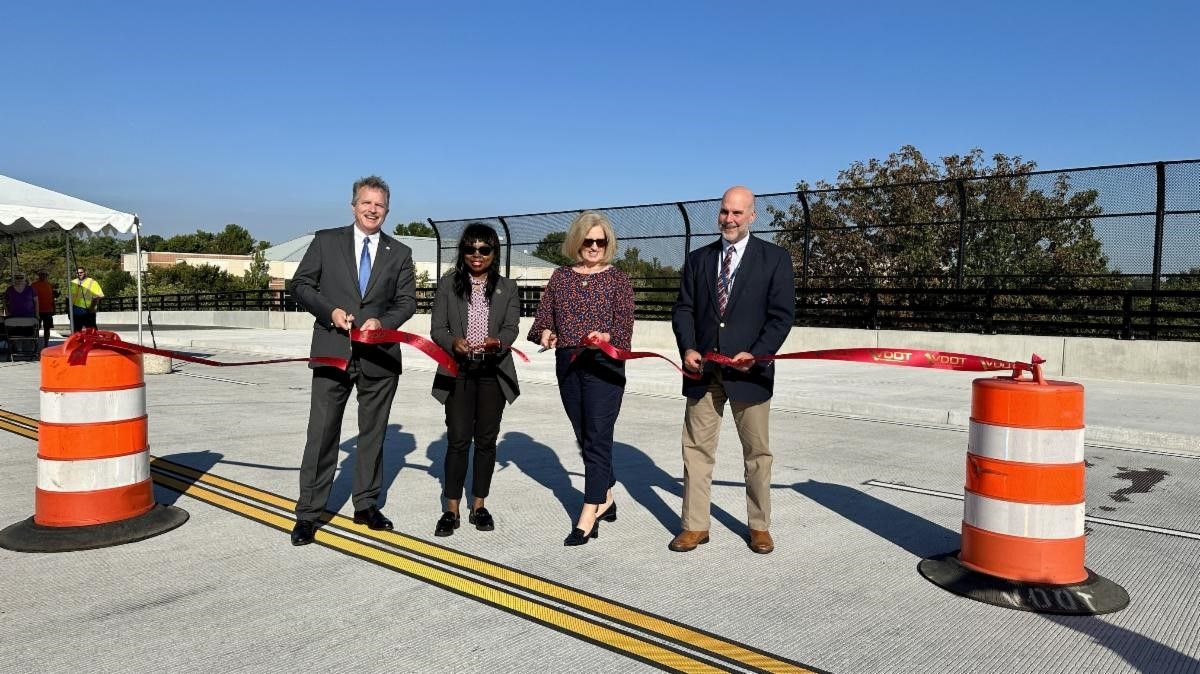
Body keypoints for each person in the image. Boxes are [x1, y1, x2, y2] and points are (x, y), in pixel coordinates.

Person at [288, 175, 417, 546]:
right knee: (322, 434)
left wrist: (384, 322)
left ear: (387, 210)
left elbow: (406, 301)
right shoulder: (326, 242)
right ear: (353, 205)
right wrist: (331, 312)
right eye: (366, 203)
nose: (372, 209)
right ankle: (309, 513)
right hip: (333, 349)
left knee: (373, 436)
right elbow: (300, 285)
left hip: (379, 356)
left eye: (379, 204)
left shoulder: (400, 253)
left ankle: (366, 505)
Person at [669, 186, 795, 555]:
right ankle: (694, 526)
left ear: (753, 216)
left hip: (749, 374)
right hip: (704, 371)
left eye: (738, 213)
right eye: (725, 212)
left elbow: (781, 316)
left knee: (757, 453)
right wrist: (688, 347)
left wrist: (756, 354)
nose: (729, 219)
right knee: (695, 451)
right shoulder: (698, 259)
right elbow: (684, 310)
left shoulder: (774, 259)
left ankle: (759, 526)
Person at [527, 211, 634, 546]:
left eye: (601, 241)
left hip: (604, 367)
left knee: (598, 436)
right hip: (568, 365)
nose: (594, 247)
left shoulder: (618, 280)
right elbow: (544, 319)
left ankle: (590, 511)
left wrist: (607, 336)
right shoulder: (561, 277)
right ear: (577, 241)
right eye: (588, 240)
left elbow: (625, 328)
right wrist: (546, 332)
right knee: (584, 433)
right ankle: (607, 495)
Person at [429, 223, 521, 536]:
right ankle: (451, 507)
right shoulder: (448, 284)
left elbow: (511, 328)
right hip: (459, 370)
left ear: (494, 253)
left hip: (492, 372)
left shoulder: (507, 288)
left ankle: (478, 505)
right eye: (470, 249)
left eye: (484, 249)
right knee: (457, 439)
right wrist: (453, 342)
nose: (476, 255)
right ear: (462, 252)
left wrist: (500, 341)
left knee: (486, 440)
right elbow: (437, 329)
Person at [69, 267, 103, 332]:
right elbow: (69, 297)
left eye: (81, 272)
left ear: (85, 272)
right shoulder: (73, 283)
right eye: (77, 273)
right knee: (76, 333)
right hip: (75, 311)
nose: (79, 274)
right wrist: (69, 310)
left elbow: (98, 296)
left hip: (88, 311)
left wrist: (91, 308)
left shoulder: (92, 282)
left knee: (92, 332)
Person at [30, 271, 57, 345]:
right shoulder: (33, 285)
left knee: (47, 328)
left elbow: (52, 298)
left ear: (46, 275)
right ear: (38, 275)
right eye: (41, 274)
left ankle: (46, 344)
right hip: (36, 311)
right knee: (35, 328)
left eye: (44, 274)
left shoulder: (49, 285)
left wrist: (54, 309)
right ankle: (35, 344)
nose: (43, 276)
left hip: (48, 310)